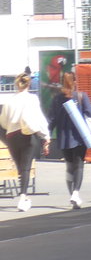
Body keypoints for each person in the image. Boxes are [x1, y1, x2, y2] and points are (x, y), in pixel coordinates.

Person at [0, 73, 51, 211]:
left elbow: (3, 122)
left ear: (17, 84)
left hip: (12, 136)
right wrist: (46, 136)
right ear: (29, 84)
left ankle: (23, 196)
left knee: (20, 168)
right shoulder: (32, 99)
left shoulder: (9, 101)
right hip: (28, 135)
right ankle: (23, 197)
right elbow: (38, 118)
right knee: (26, 166)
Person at [47, 71, 91, 208]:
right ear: (75, 81)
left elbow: (51, 120)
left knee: (69, 167)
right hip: (80, 136)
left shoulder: (57, 99)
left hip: (64, 138)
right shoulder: (81, 96)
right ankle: (76, 193)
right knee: (79, 165)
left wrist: (47, 138)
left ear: (62, 82)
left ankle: (72, 195)